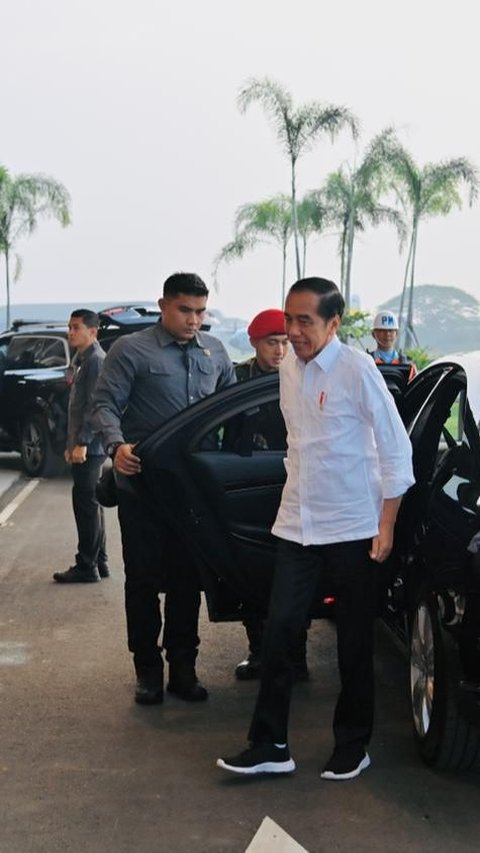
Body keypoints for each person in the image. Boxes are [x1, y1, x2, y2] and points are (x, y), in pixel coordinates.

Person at [217, 277, 415, 781]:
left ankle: (353, 745)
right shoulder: (288, 369)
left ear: (333, 323)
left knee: (352, 641)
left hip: (353, 526)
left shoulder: (357, 369)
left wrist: (385, 525)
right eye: (289, 319)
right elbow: (299, 446)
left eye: (305, 321)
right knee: (280, 631)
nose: (293, 331)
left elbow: (396, 449)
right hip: (297, 523)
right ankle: (270, 745)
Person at [92, 272, 235, 705]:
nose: (194, 320)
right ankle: (148, 672)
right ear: (163, 306)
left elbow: (231, 410)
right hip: (143, 486)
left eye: (200, 311)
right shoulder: (130, 350)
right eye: (185, 310)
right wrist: (116, 447)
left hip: (194, 491)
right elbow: (105, 404)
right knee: (142, 579)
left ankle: (184, 669)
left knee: (188, 580)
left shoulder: (216, 351)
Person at [233, 309, 309, 683]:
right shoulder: (238, 378)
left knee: (297, 576)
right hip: (250, 481)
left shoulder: (301, 373)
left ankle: (297, 655)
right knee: (254, 572)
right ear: (254, 343)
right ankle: (259, 651)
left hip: (295, 483)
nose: (280, 350)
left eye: (284, 342)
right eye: (271, 343)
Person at [53, 310, 108, 584]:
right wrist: (71, 443)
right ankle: (100, 561)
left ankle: (87, 565)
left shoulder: (96, 360)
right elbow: (76, 405)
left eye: (76, 327)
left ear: (93, 331)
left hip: (92, 446)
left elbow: (95, 406)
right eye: (70, 327)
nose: (70, 332)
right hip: (83, 443)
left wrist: (83, 442)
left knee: (85, 503)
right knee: (91, 502)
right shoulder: (82, 359)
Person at [370, 310, 416, 380]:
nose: (387, 334)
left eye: (391, 330)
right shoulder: (367, 361)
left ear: (397, 334)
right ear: (373, 334)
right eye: (382, 330)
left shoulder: (408, 364)